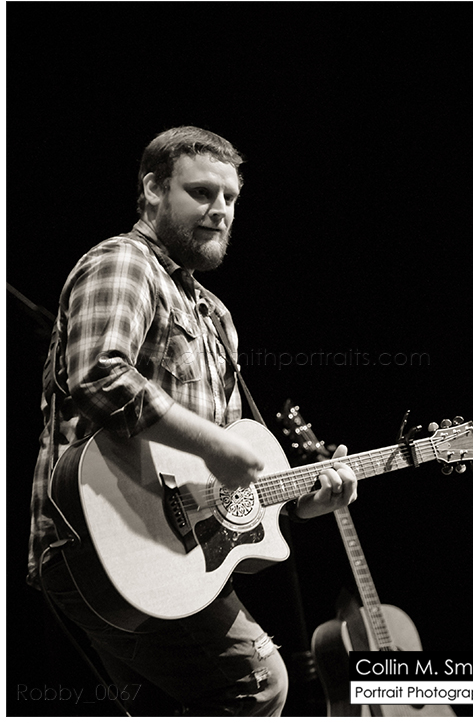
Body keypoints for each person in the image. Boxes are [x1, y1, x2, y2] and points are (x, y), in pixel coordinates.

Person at [27, 126, 358, 716]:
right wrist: (215, 448)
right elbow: (100, 377)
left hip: (168, 556)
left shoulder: (216, 317)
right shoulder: (124, 262)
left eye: (230, 198)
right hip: (98, 538)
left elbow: (225, 479)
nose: (220, 210)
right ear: (153, 190)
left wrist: (297, 502)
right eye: (202, 193)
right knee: (259, 683)